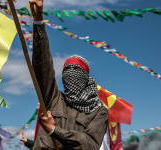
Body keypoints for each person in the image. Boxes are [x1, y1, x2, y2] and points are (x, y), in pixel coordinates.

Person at [29, 0, 108, 149]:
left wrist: (54, 131)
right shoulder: (54, 99)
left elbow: (89, 145)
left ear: (86, 78)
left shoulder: (99, 112)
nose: (71, 75)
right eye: (67, 71)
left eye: (76, 70)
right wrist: (38, 21)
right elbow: (42, 66)